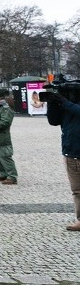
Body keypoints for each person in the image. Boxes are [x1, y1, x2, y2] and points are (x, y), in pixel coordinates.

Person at [45, 85, 80, 231]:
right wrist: (52, 103)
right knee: (77, 190)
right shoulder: (67, 106)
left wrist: (64, 102)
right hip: (71, 152)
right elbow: (53, 121)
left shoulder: (70, 105)